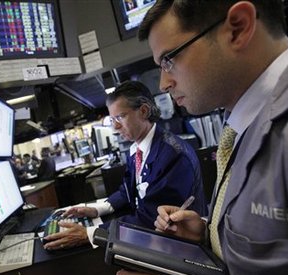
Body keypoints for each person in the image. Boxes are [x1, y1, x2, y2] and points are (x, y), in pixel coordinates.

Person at [116, 1, 288, 275]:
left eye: (169, 60)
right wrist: (209, 233)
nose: (163, 83)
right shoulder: (242, 124)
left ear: (238, 28)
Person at [43, 81, 206, 251]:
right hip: (151, 236)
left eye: (120, 117)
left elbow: (152, 218)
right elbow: (128, 190)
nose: (114, 127)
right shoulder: (137, 148)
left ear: (143, 111)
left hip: (176, 246)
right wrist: (98, 209)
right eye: (112, 119)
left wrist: (91, 233)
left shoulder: (172, 155)